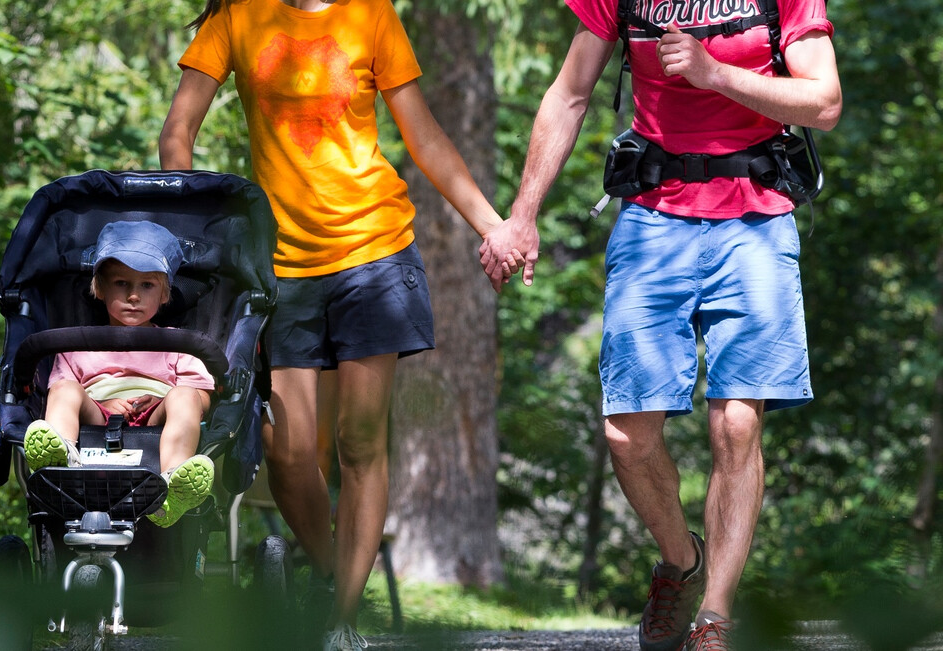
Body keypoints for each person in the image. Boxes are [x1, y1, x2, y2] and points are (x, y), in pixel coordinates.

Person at [481, 0, 841, 647]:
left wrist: (716, 73)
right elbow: (569, 94)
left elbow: (825, 101)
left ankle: (714, 616)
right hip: (653, 219)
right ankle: (682, 561)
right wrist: (521, 214)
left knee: (736, 422)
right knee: (626, 433)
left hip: (755, 218)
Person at [158, 1, 509, 648]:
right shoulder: (237, 17)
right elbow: (178, 129)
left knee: (360, 440)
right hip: (282, 266)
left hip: (374, 255)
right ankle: (327, 574)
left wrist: (494, 225)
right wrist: (196, 231)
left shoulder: (371, 14)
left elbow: (423, 134)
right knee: (288, 452)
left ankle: (343, 618)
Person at [23, 220, 216, 529]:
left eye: (146, 286)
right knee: (64, 391)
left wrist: (162, 397)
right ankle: (61, 461)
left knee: (185, 395)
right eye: (121, 284)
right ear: (100, 288)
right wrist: (100, 403)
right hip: (96, 415)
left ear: (165, 294)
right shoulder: (76, 344)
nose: (133, 296)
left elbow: (203, 397)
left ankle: (171, 483)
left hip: (155, 416)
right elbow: (60, 389)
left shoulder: (178, 344)